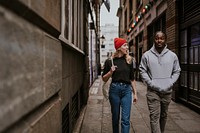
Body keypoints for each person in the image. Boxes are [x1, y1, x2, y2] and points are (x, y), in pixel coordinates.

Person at [139, 31, 181, 133]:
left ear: (165, 40)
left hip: (167, 91)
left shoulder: (172, 56)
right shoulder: (146, 55)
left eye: (161, 38)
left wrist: (170, 83)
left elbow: (177, 71)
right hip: (153, 92)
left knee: (164, 115)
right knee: (154, 116)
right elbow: (142, 70)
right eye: (157, 38)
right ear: (154, 39)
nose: (159, 41)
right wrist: (151, 83)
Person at [102, 37, 138, 133]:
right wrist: (110, 72)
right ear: (119, 48)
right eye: (125, 45)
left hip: (127, 91)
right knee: (115, 118)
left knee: (125, 120)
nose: (127, 47)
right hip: (114, 90)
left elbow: (132, 78)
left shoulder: (129, 61)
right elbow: (103, 78)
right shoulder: (109, 61)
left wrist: (135, 94)